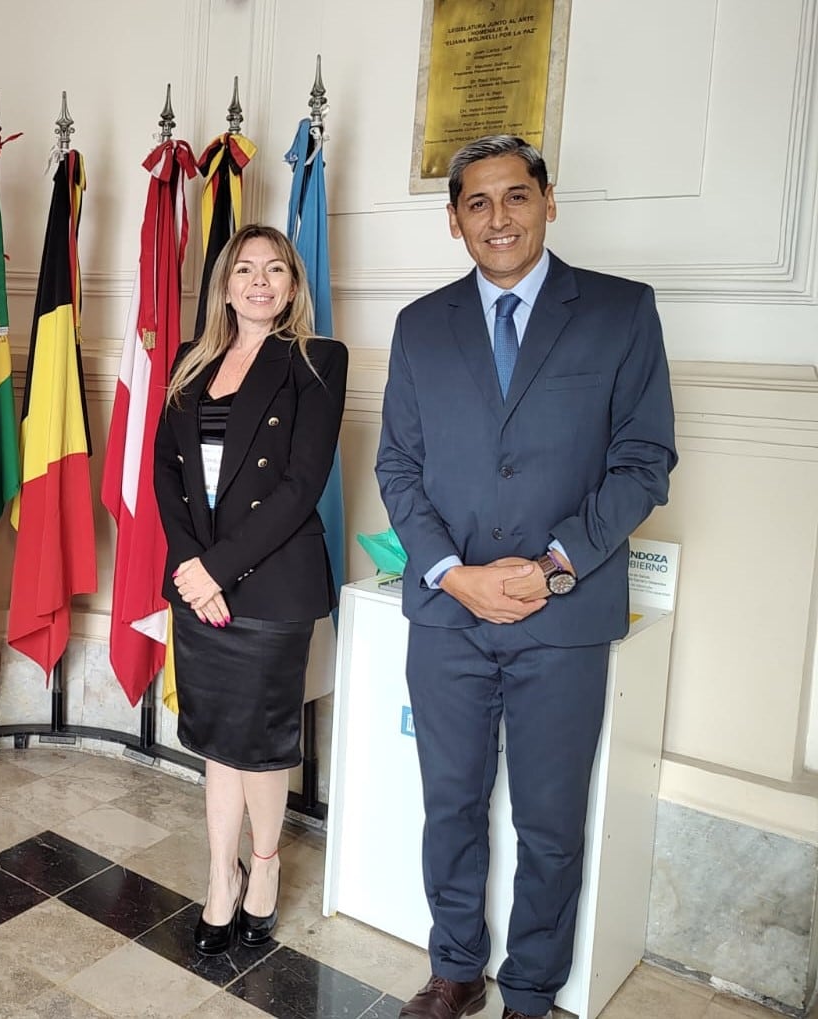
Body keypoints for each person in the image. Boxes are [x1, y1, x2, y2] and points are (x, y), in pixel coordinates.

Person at [376, 136, 676, 1019]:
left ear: (549, 202)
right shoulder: (420, 325)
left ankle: (533, 991)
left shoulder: (621, 312)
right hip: (449, 617)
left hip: (565, 618)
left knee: (549, 822)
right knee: (451, 805)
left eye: (516, 197)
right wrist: (452, 574)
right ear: (455, 219)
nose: (498, 217)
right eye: (478, 202)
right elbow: (399, 465)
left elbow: (643, 462)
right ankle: (456, 968)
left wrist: (551, 568)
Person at [153, 224, 348, 956]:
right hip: (198, 583)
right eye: (244, 269)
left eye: (274, 270)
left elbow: (301, 487)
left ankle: (262, 865)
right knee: (215, 742)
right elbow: (166, 475)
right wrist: (188, 567)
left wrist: (216, 569)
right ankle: (218, 875)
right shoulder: (189, 361)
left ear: (294, 285)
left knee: (260, 744)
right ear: (225, 284)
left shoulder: (316, 361)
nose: (258, 281)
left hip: (268, 587)